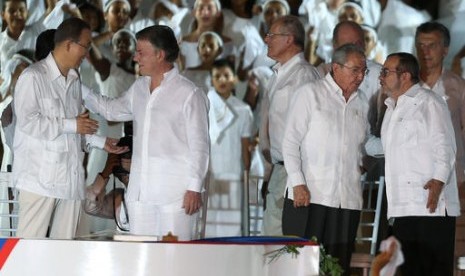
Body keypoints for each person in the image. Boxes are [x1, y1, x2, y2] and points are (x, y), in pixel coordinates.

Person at [83, 25, 210, 241]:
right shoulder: (139, 88)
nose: (135, 57)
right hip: (139, 194)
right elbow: (110, 109)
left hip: (176, 195)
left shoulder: (190, 93)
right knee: (141, 262)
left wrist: (194, 188)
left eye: (141, 52)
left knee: (175, 262)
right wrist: (76, 86)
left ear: (160, 55)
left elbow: (201, 145)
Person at [12, 17, 127, 239]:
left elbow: (73, 135)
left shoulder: (74, 81)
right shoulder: (33, 77)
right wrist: (73, 124)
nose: (87, 53)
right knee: (29, 251)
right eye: (85, 46)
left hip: (71, 182)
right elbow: (28, 122)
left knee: (64, 254)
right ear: (68, 44)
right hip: (39, 181)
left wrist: (101, 142)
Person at [282, 43, 369, 275]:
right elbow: (290, 143)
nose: (360, 77)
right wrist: (298, 183)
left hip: (346, 200)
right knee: (300, 266)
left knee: (337, 268)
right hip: (309, 196)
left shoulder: (362, 102)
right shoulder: (310, 94)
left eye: (364, 71)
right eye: (355, 70)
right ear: (336, 67)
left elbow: (365, 145)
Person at [377, 52, 460, 276]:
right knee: (407, 271)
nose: (380, 76)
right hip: (402, 208)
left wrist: (438, 180)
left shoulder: (429, 102)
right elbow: (388, 150)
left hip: (429, 206)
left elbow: (445, 145)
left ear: (405, 76)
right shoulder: (390, 108)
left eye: (386, 71)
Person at [259, 15, 320, 236]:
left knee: (287, 241)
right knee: (271, 238)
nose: (267, 40)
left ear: (289, 39)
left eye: (272, 35)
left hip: (296, 171)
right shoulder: (277, 74)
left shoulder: (303, 76)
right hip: (279, 168)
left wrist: (297, 179)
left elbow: (308, 130)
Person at [206, 58, 253, 237]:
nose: (222, 80)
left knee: (230, 224)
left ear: (234, 79)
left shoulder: (243, 109)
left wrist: (246, 171)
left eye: (226, 76)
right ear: (211, 81)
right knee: (209, 222)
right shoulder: (205, 106)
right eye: (217, 76)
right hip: (210, 172)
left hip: (233, 172)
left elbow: (245, 144)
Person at [415, 22, 465, 190]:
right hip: (412, 179)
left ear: (445, 50)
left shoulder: (459, 87)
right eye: (421, 45)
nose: (425, 51)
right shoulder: (404, 85)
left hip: (452, 180)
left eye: (432, 46)